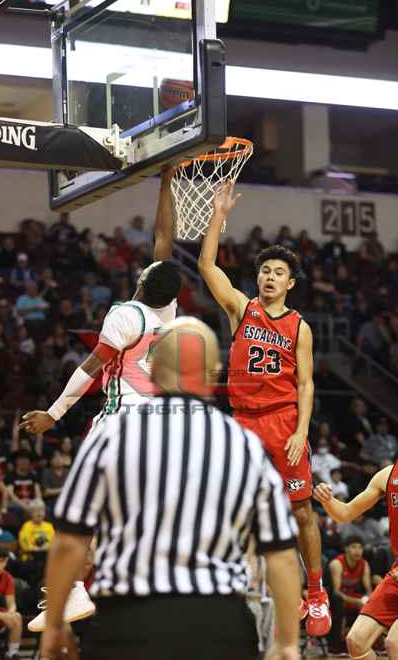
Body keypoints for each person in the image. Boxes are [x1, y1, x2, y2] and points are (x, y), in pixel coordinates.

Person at [41, 317, 301, 660]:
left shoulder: (111, 436)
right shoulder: (243, 445)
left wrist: (55, 625)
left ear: (152, 371)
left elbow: (69, 541)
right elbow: (281, 553)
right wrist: (288, 642)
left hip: (127, 623)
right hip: (219, 625)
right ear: (214, 374)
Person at [19, 168, 180, 630]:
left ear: (143, 282)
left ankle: (72, 589)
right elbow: (164, 241)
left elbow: (90, 368)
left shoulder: (125, 315)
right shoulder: (169, 311)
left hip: (121, 424)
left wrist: (53, 413)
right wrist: (166, 185)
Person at [197, 182, 330, 636]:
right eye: (265, 270)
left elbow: (306, 384)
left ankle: (316, 593)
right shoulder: (241, 308)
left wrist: (301, 431)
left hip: (283, 422)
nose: (270, 277)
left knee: (302, 512)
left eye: (279, 273)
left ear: (290, 283)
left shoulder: (300, 327)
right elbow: (207, 265)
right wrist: (218, 214)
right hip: (243, 422)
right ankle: (231, 589)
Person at [314, 462, 398, 660]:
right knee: (356, 642)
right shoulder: (388, 475)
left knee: (394, 643)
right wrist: (327, 500)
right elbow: (345, 513)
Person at [328, 536, 372, 654]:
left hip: (354, 596)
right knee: (338, 601)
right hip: (338, 598)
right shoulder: (337, 563)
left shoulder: (364, 564)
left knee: (372, 603)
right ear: (346, 548)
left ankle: (372, 642)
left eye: (360, 547)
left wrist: (368, 600)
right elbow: (336, 591)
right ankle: (336, 645)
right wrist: (356, 601)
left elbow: (368, 590)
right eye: (353, 547)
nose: (357, 551)